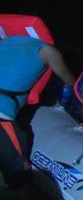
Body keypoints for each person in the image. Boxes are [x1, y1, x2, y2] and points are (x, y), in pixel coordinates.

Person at [0, 36, 75, 188]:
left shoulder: (7, 40)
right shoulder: (48, 52)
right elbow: (72, 83)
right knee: (20, 178)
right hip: (2, 120)